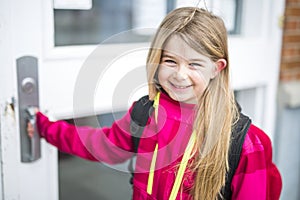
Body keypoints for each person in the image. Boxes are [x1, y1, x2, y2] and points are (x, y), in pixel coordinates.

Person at [28, 7, 282, 200]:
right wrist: (46, 128)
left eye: (194, 64)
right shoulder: (146, 113)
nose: (180, 74)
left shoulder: (245, 143)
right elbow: (100, 145)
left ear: (217, 68)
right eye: (170, 61)